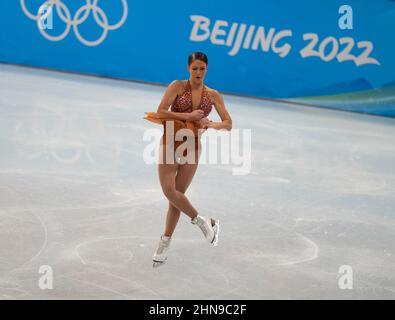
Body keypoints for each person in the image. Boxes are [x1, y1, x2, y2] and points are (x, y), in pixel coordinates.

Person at [144, 52, 232, 267]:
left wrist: (211, 125)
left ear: (207, 69)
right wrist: (188, 117)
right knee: (169, 190)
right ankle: (202, 221)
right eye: (195, 69)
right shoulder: (177, 86)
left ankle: (165, 242)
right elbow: (161, 111)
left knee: (177, 197)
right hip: (171, 140)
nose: (198, 73)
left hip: (192, 146)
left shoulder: (213, 95)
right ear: (188, 68)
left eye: (202, 69)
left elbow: (228, 123)